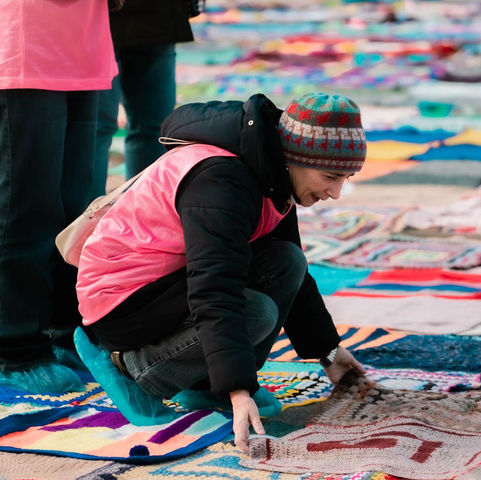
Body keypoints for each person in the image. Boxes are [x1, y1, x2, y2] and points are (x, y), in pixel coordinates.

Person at [74, 92, 367, 452]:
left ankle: (202, 383)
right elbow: (214, 286)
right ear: (295, 158)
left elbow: (292, 273)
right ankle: (133, 368)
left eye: (346, 178)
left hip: (169, 283)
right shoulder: (222, 181)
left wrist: (329, 352)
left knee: (288, 261)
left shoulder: (274, 173)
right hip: (122, 299)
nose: (335, 192)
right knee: (255, 312)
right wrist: (237, 388)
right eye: (330, 176)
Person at [0, 1, 117, 393]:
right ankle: (14, 347)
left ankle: (63, 332)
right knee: (26, 204)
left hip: (83, 43)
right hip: (27, 45)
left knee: (76, 208)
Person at [91, 0, 194, 199]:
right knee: (98, 127)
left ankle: (143, 207)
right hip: (100, 17)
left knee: (154, 127)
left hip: (156, 18)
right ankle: (89, 214)